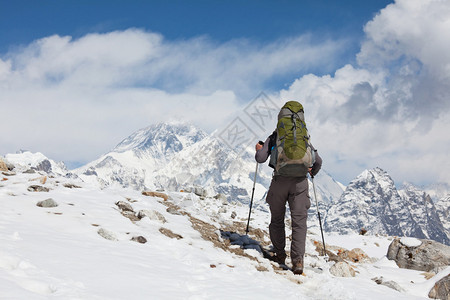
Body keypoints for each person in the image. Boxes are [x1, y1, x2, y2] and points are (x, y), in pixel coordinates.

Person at [255, 101, 322, 275]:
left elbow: (261, 158)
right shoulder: (304, 138)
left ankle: (279, 255)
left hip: (279, 182)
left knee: (277, 219)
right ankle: (298, 261)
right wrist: (310, 171)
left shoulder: (277, 135)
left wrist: (259, 149)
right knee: (299, 223)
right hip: (300, 183)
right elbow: (318, 161)